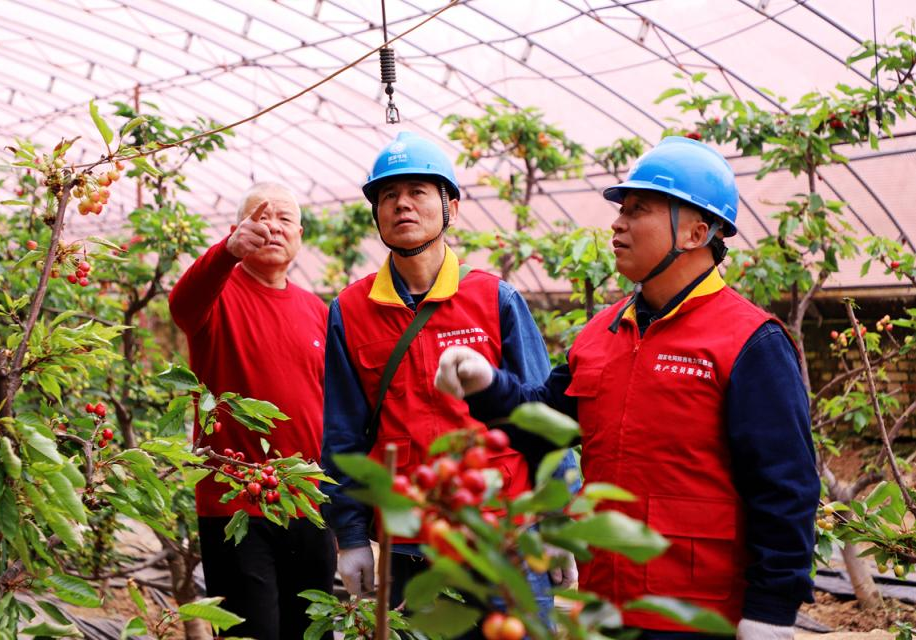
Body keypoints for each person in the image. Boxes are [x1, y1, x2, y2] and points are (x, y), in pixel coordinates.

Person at [435, 136, 819, 640]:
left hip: (699, 617)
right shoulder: (602, 333)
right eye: (621, 210)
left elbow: (786, 486)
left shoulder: (750, 341)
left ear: (696, 232)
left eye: (638, 210)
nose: (617, 223)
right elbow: (543, 423)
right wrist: (486, 384)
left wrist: (771, 609)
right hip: (605, 608)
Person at [320, 132, 578, 631]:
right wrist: (350, 537)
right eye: (388, 196)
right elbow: (342, 435)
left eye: (417, 191)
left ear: (450, 208)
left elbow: (544, 419)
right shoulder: (349, 313)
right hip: (412, 545)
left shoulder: (495, 299)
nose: (402, 205)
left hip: (506, 536)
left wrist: (558, 516)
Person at [168, 183, 336, 640]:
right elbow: (181, 303)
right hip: (236, 501)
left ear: (299, 234)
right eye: (262, 218)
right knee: (252, 631)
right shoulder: (215, 295)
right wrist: (224, 253)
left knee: (311, 631)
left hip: (307, 502)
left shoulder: (316, 309)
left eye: (284, 219)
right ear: (237, 230)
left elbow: (330, 402)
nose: (274, 227)